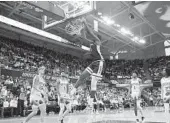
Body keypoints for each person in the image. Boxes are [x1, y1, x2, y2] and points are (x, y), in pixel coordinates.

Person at [71, 18, 105, 110]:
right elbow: (84, 37)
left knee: (93, 83)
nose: (94, 35)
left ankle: (90, 103)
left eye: (95, 34)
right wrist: (82, 28)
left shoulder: (98, 41)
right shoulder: (91, 43)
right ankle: (73, 90)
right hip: (93, 62)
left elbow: (90, 33)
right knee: (82, 76)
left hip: (99, 63)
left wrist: (85, 23)